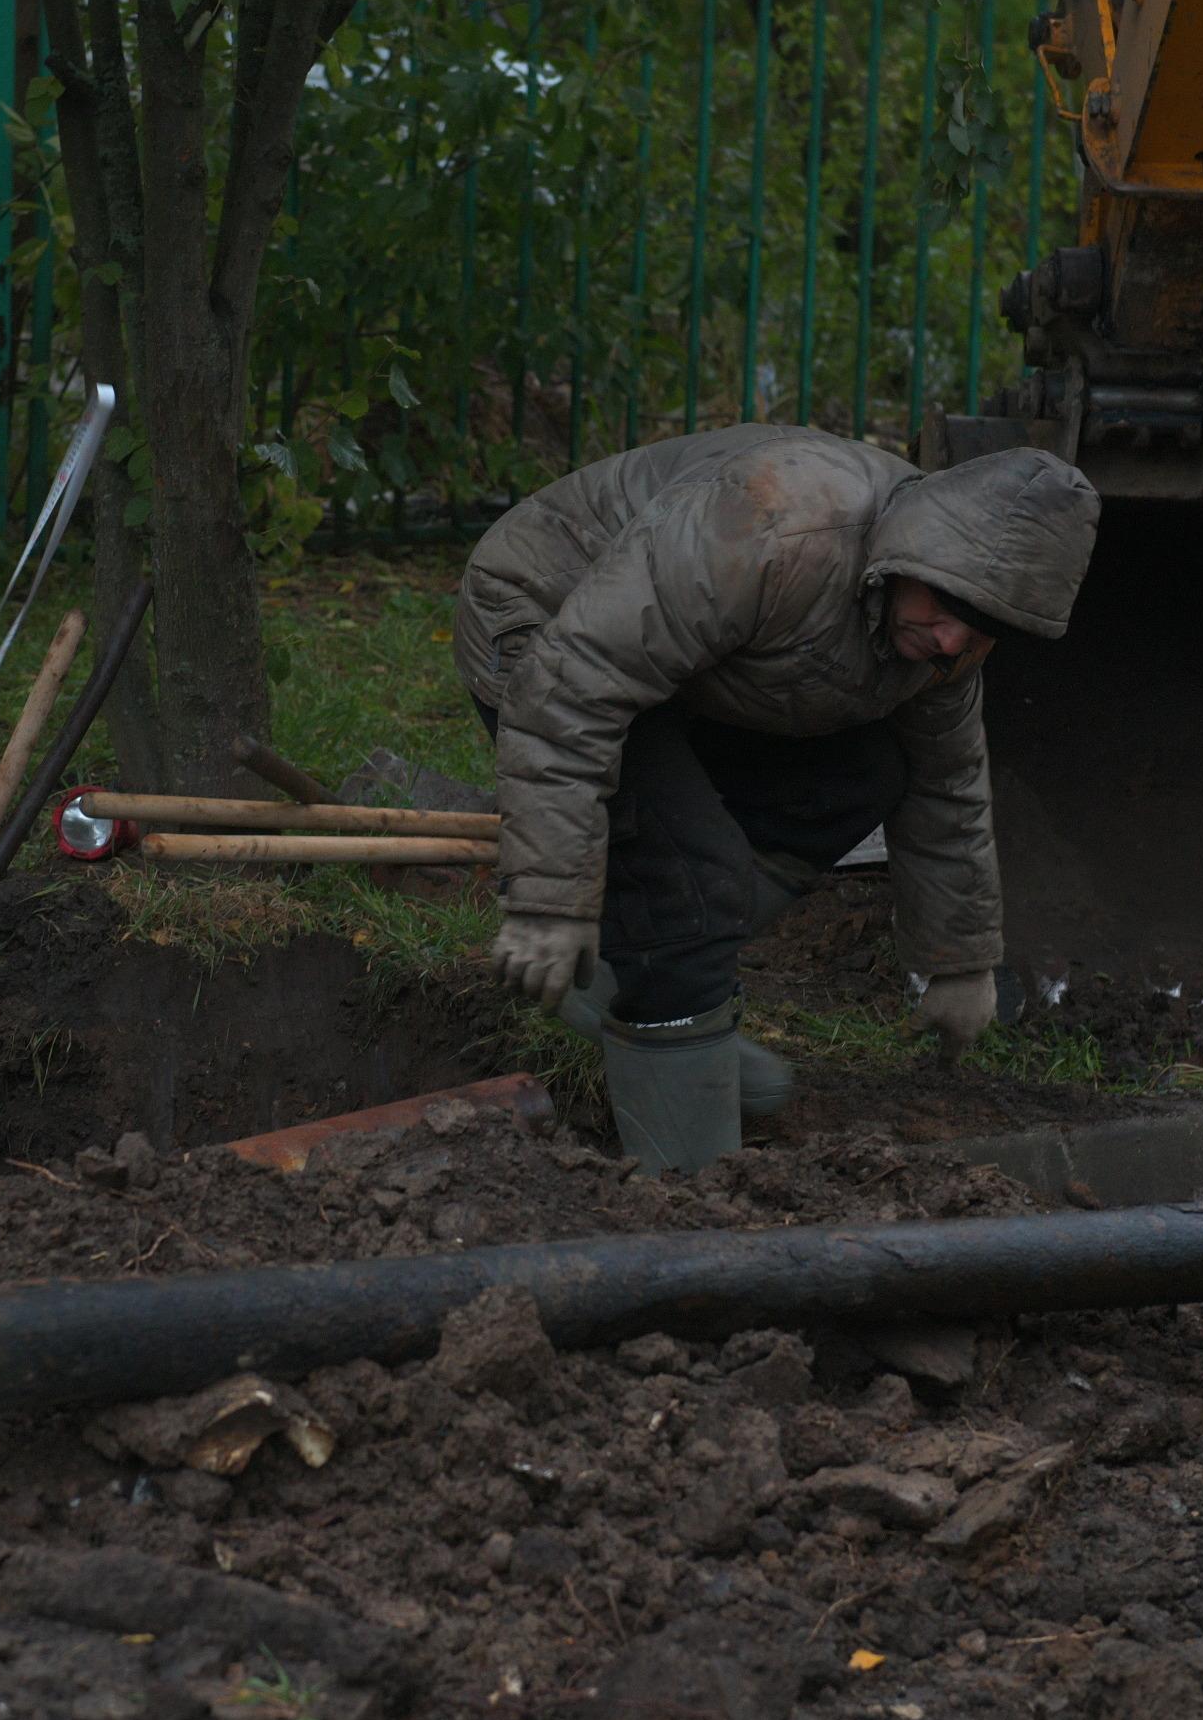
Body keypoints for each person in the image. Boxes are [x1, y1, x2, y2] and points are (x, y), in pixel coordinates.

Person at [454, 424, 1100, 1174]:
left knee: (866, 774)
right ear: (908, 555)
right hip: (551, 621)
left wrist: (957, 960)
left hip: (690, 666)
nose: (956, 642)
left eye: (985, 628)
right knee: (688, 892)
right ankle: (689, 1199)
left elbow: (945, 783)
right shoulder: (773, 529)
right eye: (949, 604)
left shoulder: (933, 638)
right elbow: (573, 682)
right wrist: (548, 901)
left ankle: (640, 983)